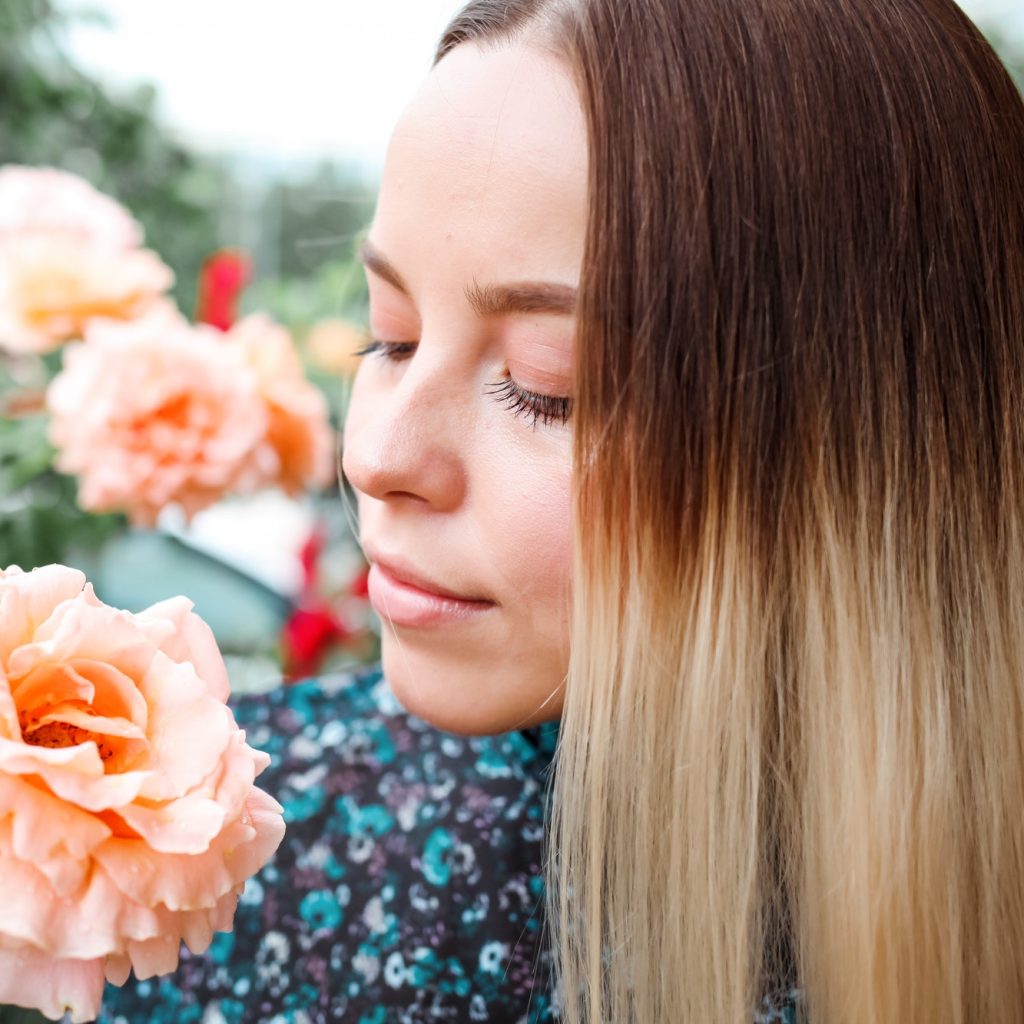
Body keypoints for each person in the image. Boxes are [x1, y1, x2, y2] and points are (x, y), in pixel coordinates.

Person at [100, 0, 1024, 1021]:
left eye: (550, 386)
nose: (377, 455)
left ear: (858, 460)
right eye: (390, 336)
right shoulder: (224, 847)